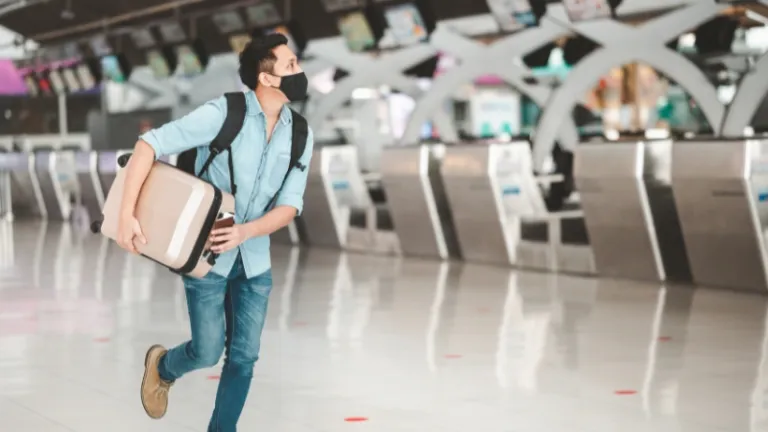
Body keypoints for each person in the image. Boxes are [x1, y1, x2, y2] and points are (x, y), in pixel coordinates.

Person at [115, 33, 313, 431]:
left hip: (255, 262)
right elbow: (148, 145)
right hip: (206, 257)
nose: (300, 71)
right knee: (207, 352)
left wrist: (247, 232)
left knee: (243, 357)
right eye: (290, 65)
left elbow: (291, 205)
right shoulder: (225, 113)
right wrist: (126, 215)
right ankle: (164, 364)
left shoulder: (300, 134)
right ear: (266, 78)